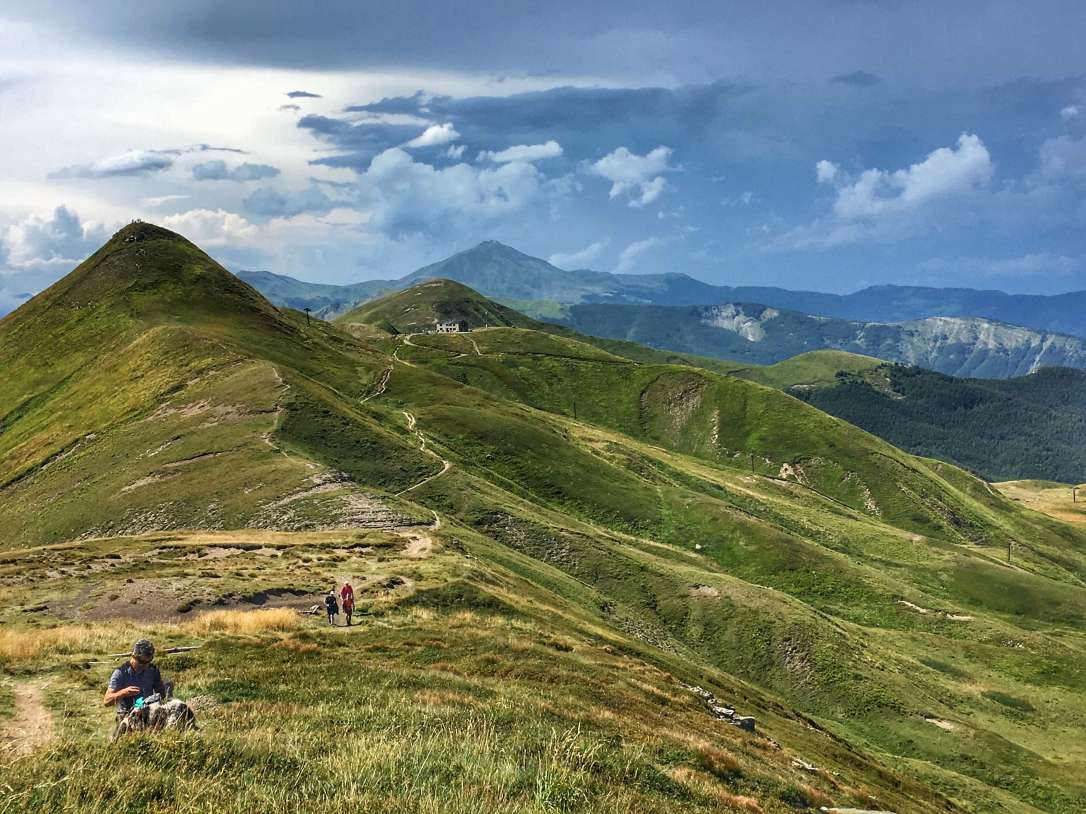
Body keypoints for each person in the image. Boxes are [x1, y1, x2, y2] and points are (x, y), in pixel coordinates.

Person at [103, 639, 167, 719]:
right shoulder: (121, 673)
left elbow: (162, 695)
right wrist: (123, 692)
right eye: (141, 662)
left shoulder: (152, 670)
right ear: (133, 656)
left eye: (148, 662)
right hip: (126, 716)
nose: (144, 665)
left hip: (148, 714)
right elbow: (106, 701)